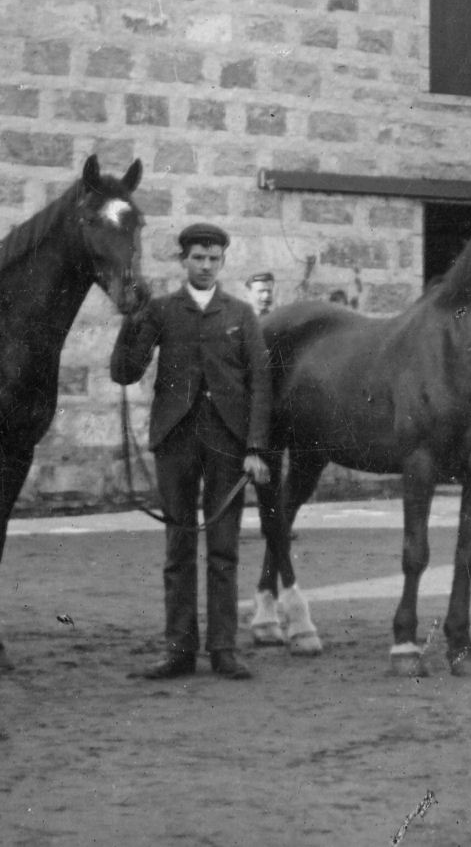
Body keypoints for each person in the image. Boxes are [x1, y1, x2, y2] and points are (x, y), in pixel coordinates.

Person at [112, 223, 272, 681]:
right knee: (178, 548)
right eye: (197, 258)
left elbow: (261, 383)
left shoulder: (240, 314)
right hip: (176, 441)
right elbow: (125, 371)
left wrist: (256, 448)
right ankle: (178, 651)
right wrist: (131, 320)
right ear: (183, 261)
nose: (205, 266)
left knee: (224, 551)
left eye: (213, 259)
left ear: (222, 262)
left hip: (228, 445)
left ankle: (224, 649)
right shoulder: (162, 311)